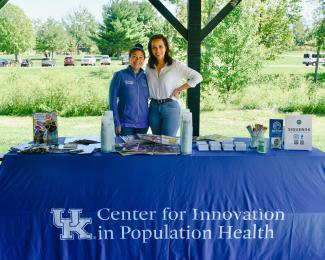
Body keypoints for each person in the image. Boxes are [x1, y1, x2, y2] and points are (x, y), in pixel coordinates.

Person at [146, 34, 203, 137]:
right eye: (154, 47)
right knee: (156, 142)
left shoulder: (175, 65)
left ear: (166, 47)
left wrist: (179, 89)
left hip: (170, 107)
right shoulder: (149, 67)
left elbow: (197, 77)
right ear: (151, 50)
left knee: (168, 142)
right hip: (153, 107)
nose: (157, 50)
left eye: (160, 46)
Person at [109, 44, 149, 136]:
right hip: (124, 124)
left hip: (143, 124)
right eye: (134, 56)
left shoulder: (146, 77)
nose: (137, 60)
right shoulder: (119, 75)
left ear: (144, 60)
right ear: (129, 58)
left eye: (140, 57)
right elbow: (112, 100)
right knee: (125, 150)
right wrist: (116, 122)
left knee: (141, 150)